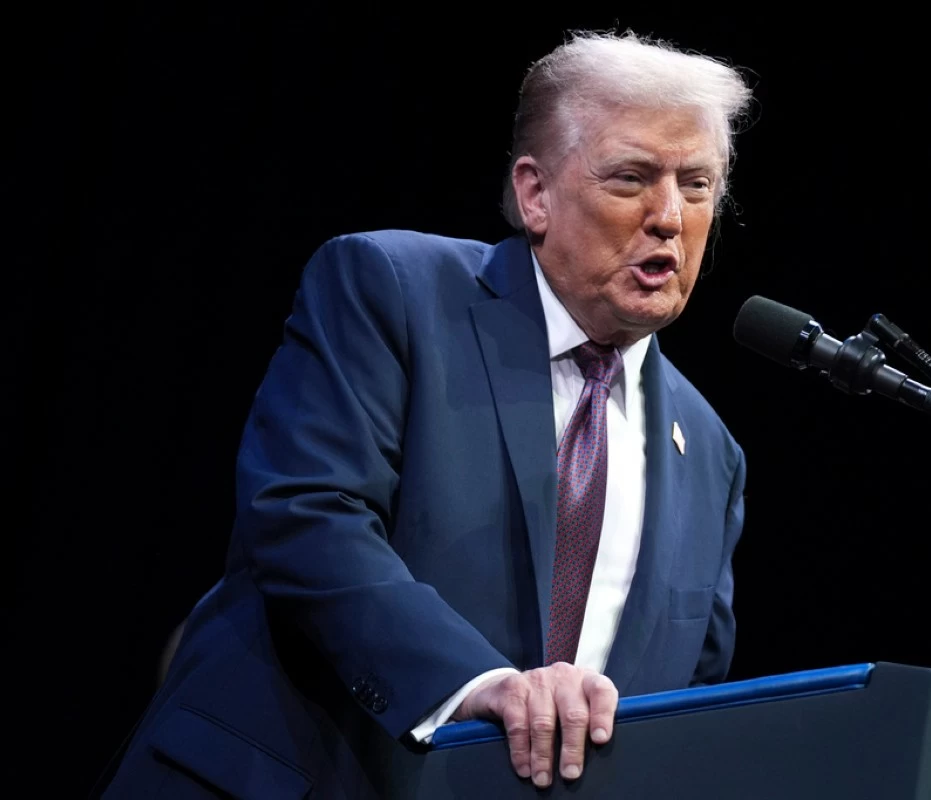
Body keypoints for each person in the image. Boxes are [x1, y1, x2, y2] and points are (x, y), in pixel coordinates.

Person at [99, 30, 754, 798]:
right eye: (632, 177)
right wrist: (478, 683)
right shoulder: (394, 290)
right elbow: (309, 513)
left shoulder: (710, 450)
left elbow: (686, 693)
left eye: (699, 184)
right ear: (535, 193)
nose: (670, 217)